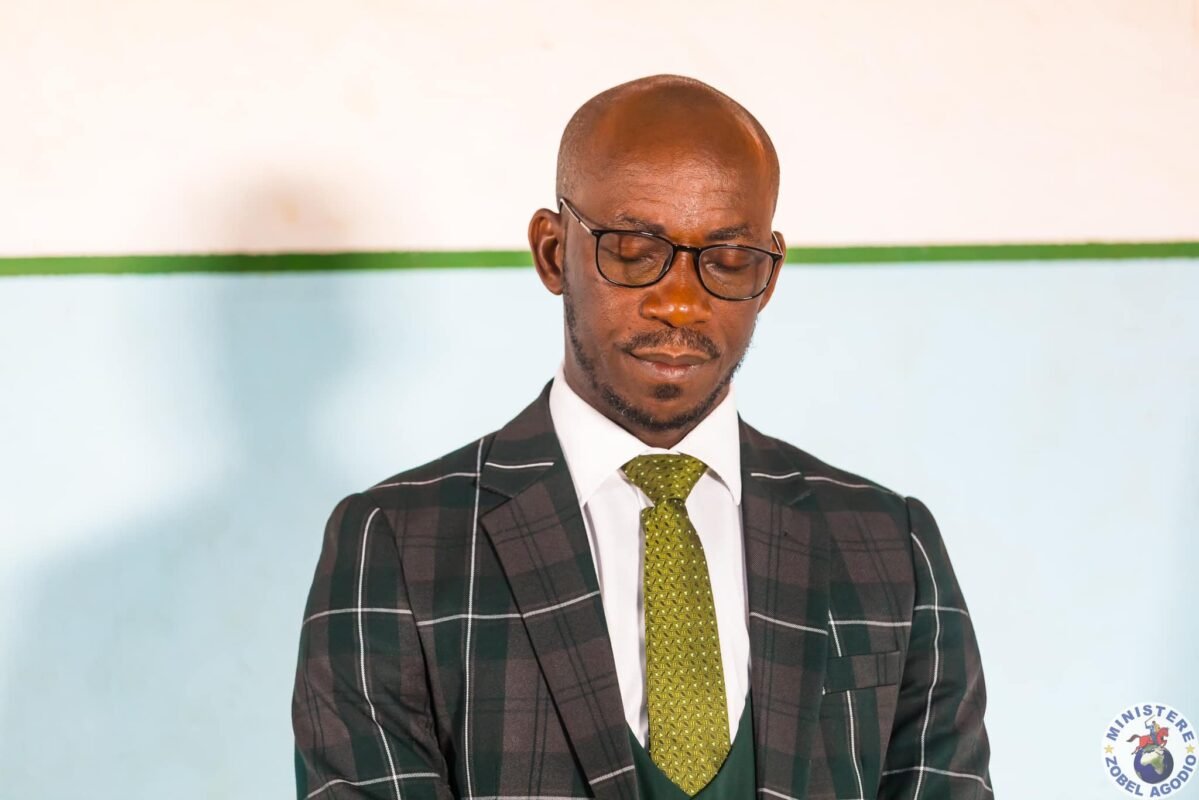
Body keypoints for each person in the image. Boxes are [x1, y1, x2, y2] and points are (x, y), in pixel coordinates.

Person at [292, 74, 993, 800]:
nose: (681, 304)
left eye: (728, 259)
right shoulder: (400, 546)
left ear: (770, 274)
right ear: (552, 251)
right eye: (633, 250)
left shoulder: (887, 546)